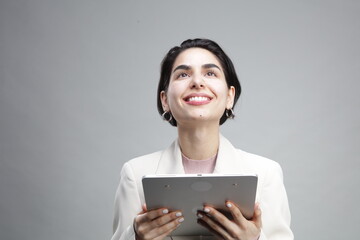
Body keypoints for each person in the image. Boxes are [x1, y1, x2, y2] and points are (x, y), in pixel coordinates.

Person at [111, 39, 293, 240]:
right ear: (165, 101)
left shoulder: (266, 173)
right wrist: (135, 238)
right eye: (183, 74)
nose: (197, 82)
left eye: (210, 73)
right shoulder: (135, 174)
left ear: (229, 97)